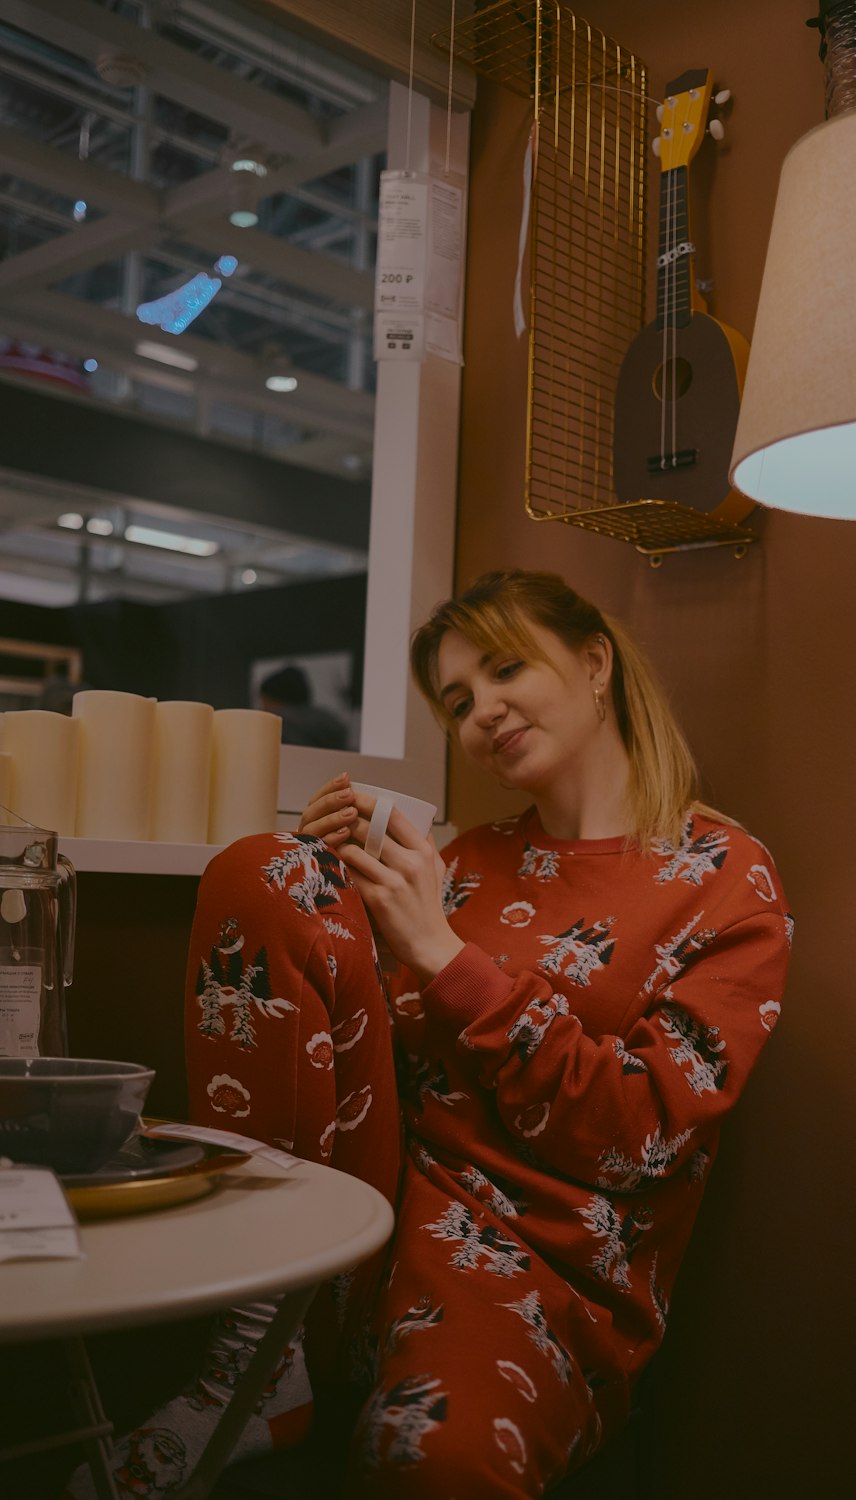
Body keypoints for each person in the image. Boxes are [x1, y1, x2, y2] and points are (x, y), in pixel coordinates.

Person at [66, 570, 791, 1499]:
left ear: (595, 661)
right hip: (357, 1239)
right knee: (265, 869)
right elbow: (345, 1056)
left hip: (535, 1284)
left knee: (431, 1465)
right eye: (458, 700)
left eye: (504, 670)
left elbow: (641, 1135)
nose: (482, 710)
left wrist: (445, 957)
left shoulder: (727, 877)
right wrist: (325, 879)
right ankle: (255, 1361)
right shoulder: (458, 862)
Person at [258, 662, 349, 749]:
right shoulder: (333, 725)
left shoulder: (280, 729)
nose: (263, 709)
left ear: (276, 700)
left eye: (265, 702)